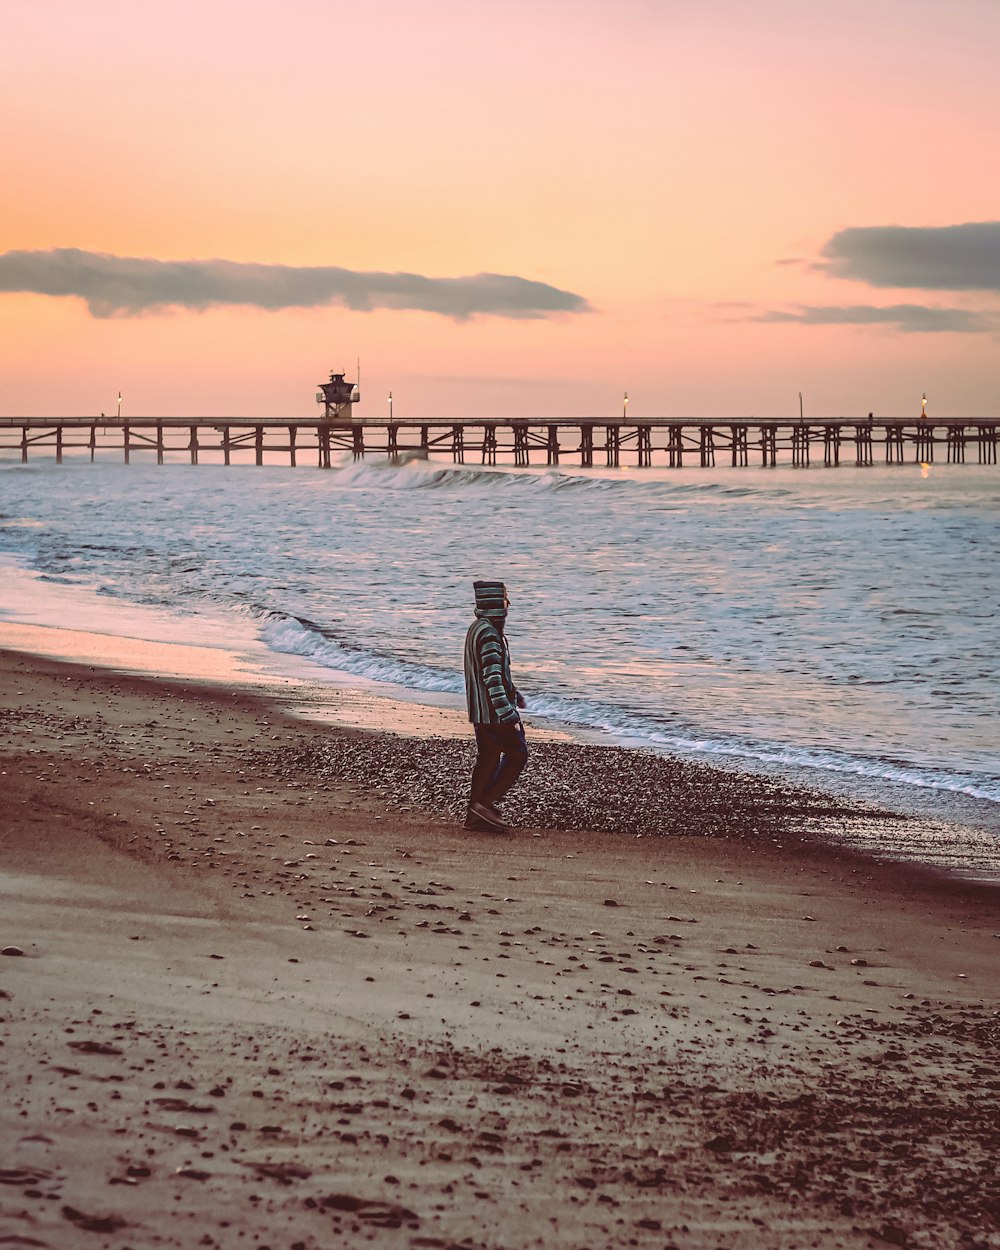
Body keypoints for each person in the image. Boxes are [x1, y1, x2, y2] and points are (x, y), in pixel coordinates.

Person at [463, 579, 527, 832]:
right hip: (492, 713)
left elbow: (490, 673)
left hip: (480, 711)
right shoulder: (489, 633)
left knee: (488, 758)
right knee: (518, 754)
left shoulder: (477, 628)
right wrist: (508, 714)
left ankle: (474, 814)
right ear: (494, 604)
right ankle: (484, 805)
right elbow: (491, 678)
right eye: (504, 599)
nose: (508, 604)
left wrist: (515, 693)